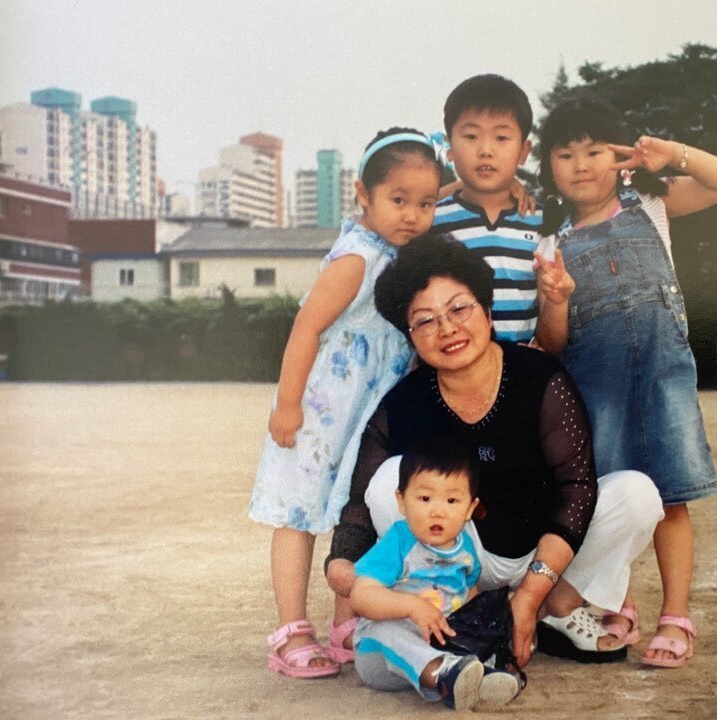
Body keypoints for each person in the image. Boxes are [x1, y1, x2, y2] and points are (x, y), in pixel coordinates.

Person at [324, 235, 665, 670]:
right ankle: (456, 612)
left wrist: (529, 594)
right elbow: (361, 502)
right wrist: (342, 565)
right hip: (459, 557)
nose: (447, 328)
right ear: (411, 336)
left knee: (637, 494)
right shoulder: (405, 402)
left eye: (459, 309)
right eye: (425, 321)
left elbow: (576, 488)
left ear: (486, 310)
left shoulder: (540, 378)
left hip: (544, 550)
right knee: (390, 480)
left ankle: (555, 606)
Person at [536, 97, 717, 668]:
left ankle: (675, 616)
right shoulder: (550, 245)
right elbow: (552, 341)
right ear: (549, 167)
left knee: (672, 499)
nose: (581, 164)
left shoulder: (653, 205)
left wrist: (669, 153)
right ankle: (612, 602)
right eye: (566, 153)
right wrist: (554, 302)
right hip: (593, 389)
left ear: (621, 158)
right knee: (609, 500)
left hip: (663, 380)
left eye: (595, 150)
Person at [248, 128, 442, 679]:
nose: (412, 215)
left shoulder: (397, 256)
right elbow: (306, 327)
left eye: (425, 203)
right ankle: (290, 631)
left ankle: (346, 625)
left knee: (353, 513)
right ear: (365, 194)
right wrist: (287, 405)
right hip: (319, 415)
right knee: (299, 512)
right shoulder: (357, 258)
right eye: (398, 200)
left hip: (364, 418)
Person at [349, 434, 523, 710]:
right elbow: (360, 595)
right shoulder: (399, 542)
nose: (438, 511)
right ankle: (445, 674)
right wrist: (411, 607)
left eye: (452, 501)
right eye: (425, 498)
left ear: (470, 509)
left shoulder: (466, 549)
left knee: (473, 630)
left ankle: (472, 676)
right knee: (385, 630)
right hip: (383, 655)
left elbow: (470, 594)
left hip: (439, 642)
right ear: (402, 501)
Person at [433, 74, 562, 348]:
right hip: (451, 375)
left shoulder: (542, 224)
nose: (486, 150)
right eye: (471, 136)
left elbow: (552, 336)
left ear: (524, 151)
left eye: (501, 137)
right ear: (450, 147)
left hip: (520, 378)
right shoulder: (432, 222)